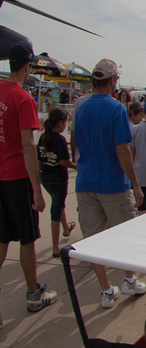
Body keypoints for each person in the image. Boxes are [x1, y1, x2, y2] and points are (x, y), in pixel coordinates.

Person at [74, 58, 146, 308]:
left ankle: (106, 290)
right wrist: (135, 185)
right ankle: (128, 279)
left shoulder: (80, 106)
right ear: (113, 80)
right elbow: (122, 150)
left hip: (85, 182)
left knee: (92, 241)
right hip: (112, 184)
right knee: (126, 235)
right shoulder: (116, 108)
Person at [0, 41, 57, 317]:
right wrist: (36, 190)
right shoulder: (23, 99)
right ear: (27, 66)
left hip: (0, 176)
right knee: (26, 238)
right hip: (17, 177)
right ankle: (33, 293)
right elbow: (27, 146)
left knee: (1, 238)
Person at [38, 107, 77, 257]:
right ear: (60, 123)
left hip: (45, 176)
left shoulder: (43, 137)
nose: (65, 125)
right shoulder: (59, 139)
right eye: (65, 122)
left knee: (58, 203)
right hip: (58, 178)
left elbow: (39, 159)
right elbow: (63, 161)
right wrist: (75, 166)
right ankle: (55, 247)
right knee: (55, 208)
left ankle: (66, 227)